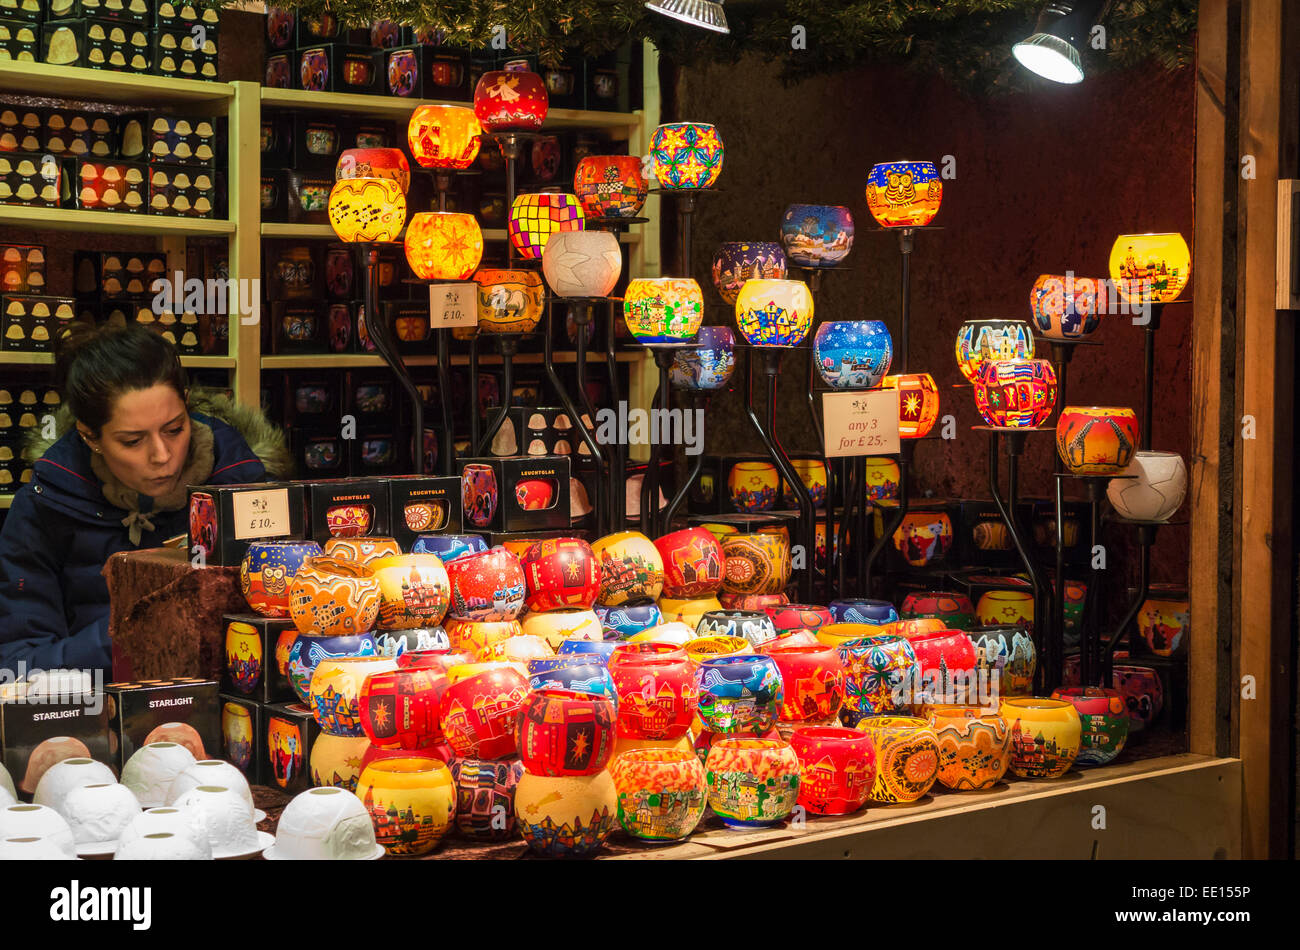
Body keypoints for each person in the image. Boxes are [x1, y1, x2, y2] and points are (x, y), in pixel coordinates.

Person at [0, 324, 289, 676]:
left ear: (187, 405)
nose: (162, 455)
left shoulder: (250, 489)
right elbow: (19, 667)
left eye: (174, 429)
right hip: (97, 718)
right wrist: (129, 637)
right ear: (90, 436)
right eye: (133, 441)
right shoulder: (43, 508)